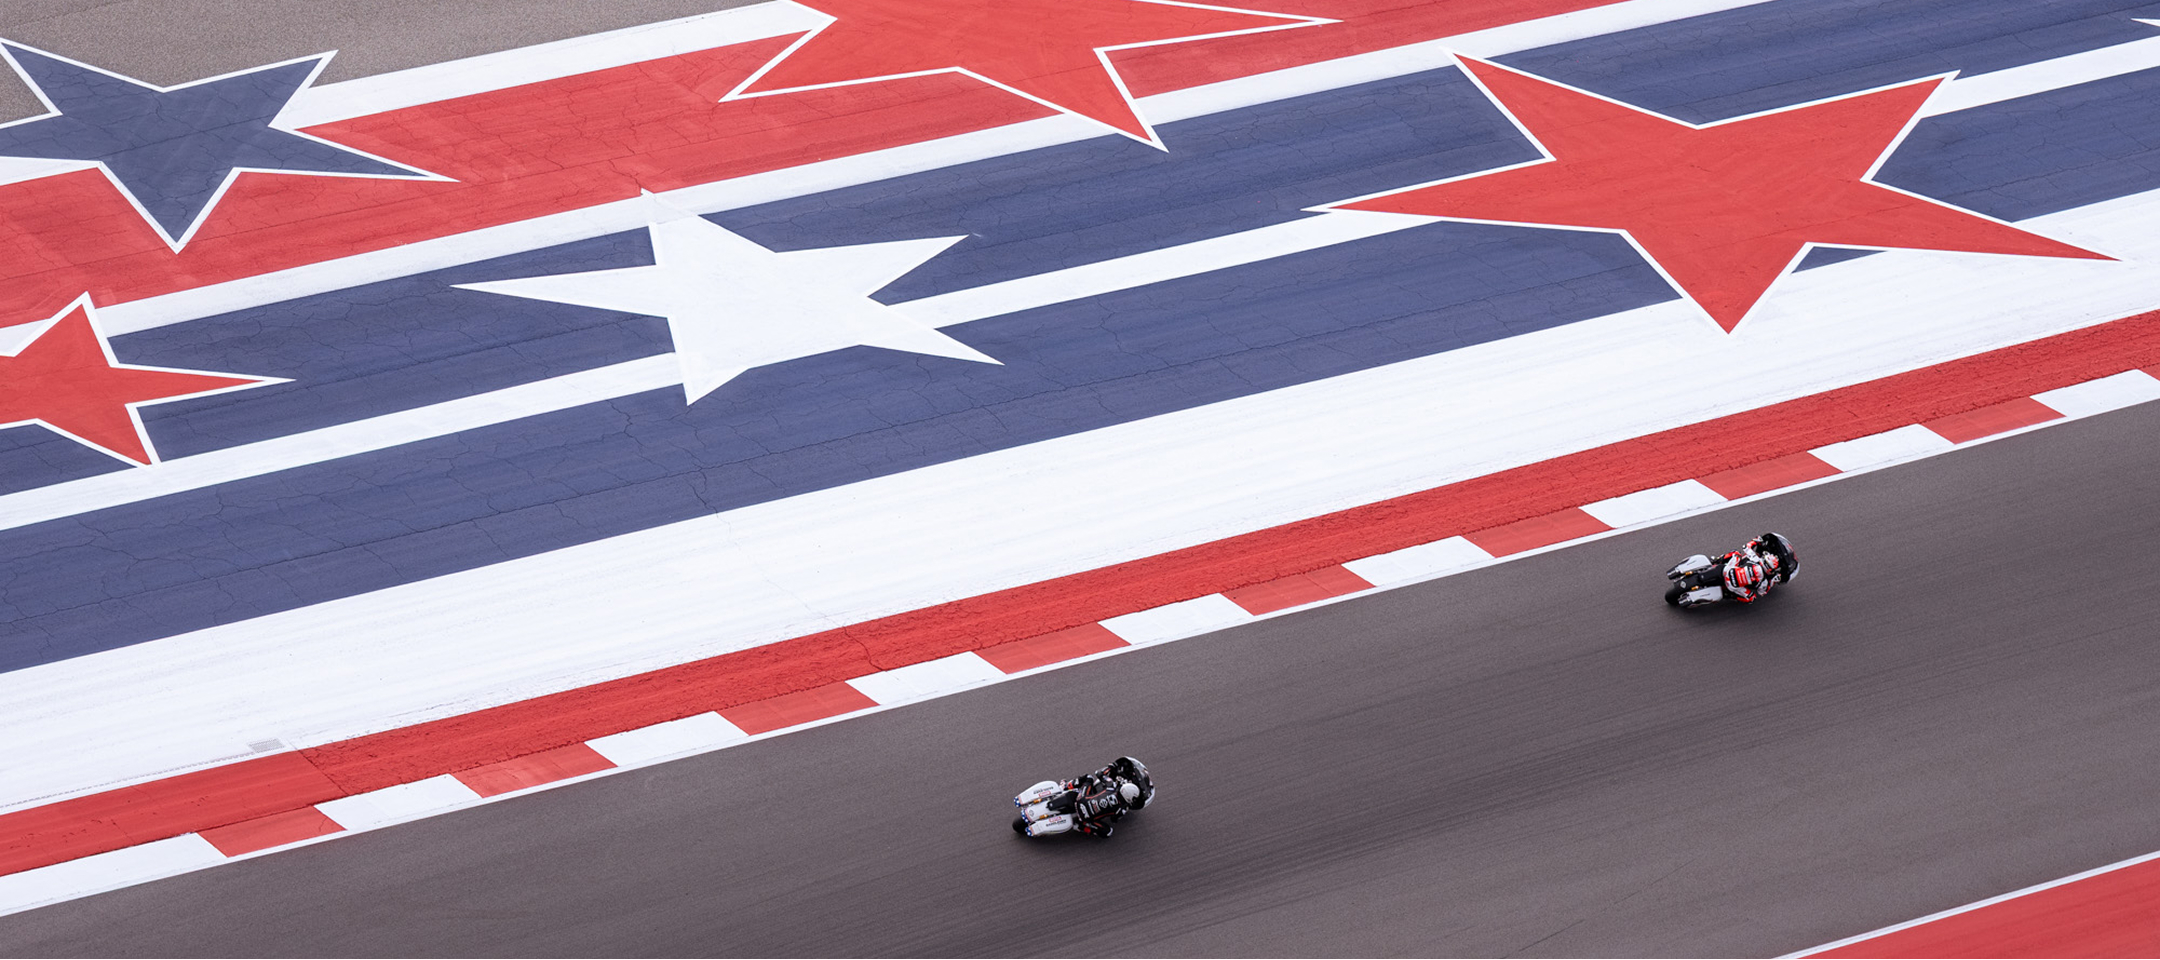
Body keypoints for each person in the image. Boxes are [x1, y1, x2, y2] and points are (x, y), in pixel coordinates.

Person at [1018, 756, 1154, 838]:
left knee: (1088, 778)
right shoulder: (1122, 810)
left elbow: (1098, 773)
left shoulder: (1111, 785)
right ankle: (1079, 827)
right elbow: (1114, 819)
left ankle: (1064, 786)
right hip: (1086, 818)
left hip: (1081, 799)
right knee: (1108, 832)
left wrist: (1110, 767)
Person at [1718, 533, 1795, 603]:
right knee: (1751, 598)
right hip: (1736, 586)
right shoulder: (1764, 581)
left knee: (1736, 554)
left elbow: (1746, 547)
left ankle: (1717, 560)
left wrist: (1755, 541)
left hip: (1731, 569)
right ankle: (1727, 595)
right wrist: (1772, 581)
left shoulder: (1755, 559)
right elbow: (1762, 592)